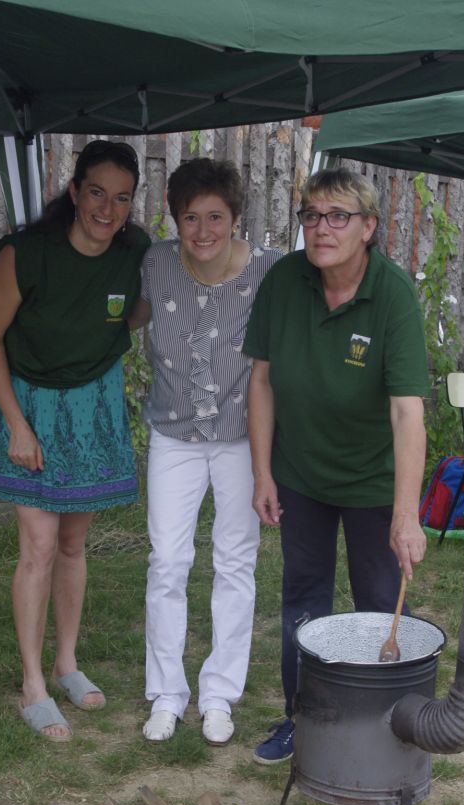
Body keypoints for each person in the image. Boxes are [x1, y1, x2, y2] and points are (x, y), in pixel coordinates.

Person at [241, 168, 431, 764]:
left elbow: (407, 412)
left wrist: (406, 515)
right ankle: (303, 720)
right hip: (300, 474)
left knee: (379, 600)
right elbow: (262, 381)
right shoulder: (284, 280)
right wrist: (263, 472)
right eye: (312, 216)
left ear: (368, 227)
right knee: (303, 599)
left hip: (372, 480)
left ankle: (390, 730)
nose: (321, 229)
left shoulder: (392, 294)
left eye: (338, 217)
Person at [0, 140, 150, 742]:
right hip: (28, 403)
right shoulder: (25, 253)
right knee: (40, 545)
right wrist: (16, 424)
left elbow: (142, 310)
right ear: (74, 192)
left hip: (93, 403)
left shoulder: (135, 252)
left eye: (121, 198)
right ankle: (32, 683)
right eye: (97, 192)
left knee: (74, 544)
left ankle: (66, 663)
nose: (107, 208)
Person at [129, 159, 282, 746]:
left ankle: (219, 694)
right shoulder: (157, 264)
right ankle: (167, 693)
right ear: (175, 219)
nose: (202, 230)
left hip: (243, 437)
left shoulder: (268, 271)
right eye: (190, 217)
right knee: (167, 560)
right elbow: (127, 318)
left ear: (235, 217)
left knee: (235, 561)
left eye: (215, 216)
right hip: (174, 434)